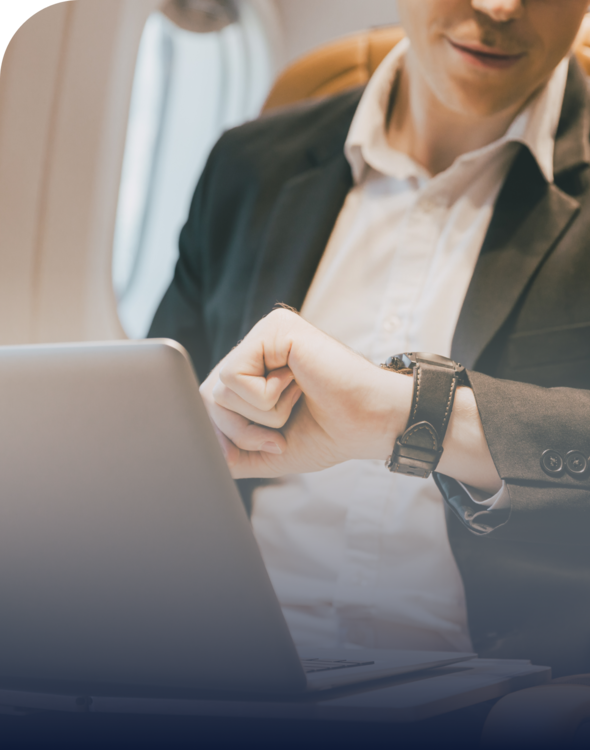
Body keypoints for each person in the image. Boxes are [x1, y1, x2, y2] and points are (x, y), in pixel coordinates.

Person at [149, 0, 590, 677]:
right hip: (229, 669)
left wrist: (408, 415)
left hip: (510, 692)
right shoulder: (246, 165)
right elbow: (152, 427)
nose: (499, 6)